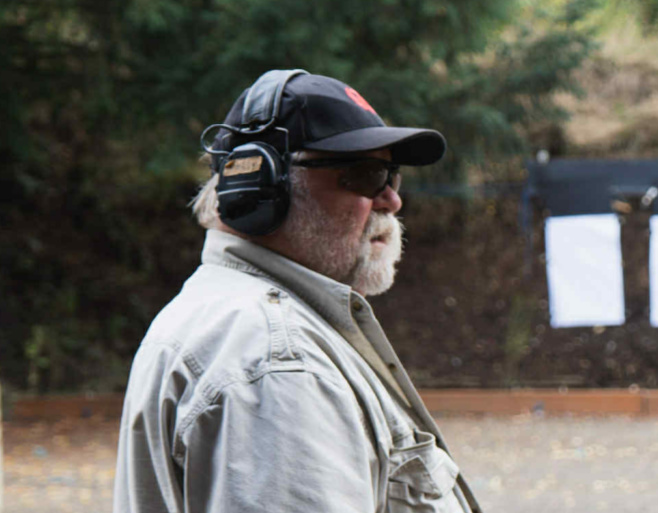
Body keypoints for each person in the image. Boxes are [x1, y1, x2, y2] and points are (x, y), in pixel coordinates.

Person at [113, 69, 481, 513]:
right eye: (366, 174)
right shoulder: (277, 363)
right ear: (262, 185)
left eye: (392, 175)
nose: (391, 199)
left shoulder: (230, 314)